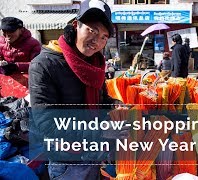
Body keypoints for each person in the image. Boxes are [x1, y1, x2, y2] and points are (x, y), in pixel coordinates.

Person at [28, 0, 129, 179]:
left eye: (104, 37)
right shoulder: (44, 65)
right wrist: (102, 131)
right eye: (92, 30)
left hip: (94, 154)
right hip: (67, 162)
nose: (96, 41)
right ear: (76, 25)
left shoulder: (94, 63)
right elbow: (47, 124)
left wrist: (114, 104)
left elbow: (102, 98)